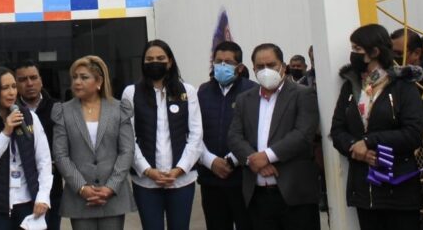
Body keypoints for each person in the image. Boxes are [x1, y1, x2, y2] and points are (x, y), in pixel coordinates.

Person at [330, 24, 423, 230]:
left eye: (357, 48)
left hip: (398, 188)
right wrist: (356, 149)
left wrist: (369, 141)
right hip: (364, 191)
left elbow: (413, 134)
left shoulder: (402, 85)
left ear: (374, 52)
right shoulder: (351, 86)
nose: (353, 53)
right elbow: (337, 130)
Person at [228, 43, 320, 229]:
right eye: (260, 66)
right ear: (253, 69)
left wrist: (267, 156)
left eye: (271, 65)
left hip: (295, 196)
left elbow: (303, 134)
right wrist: (253, 160)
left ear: (283, 66)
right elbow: (234, 136)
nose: (265, 70)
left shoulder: (303, 94)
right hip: (258, 196)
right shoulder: (244, 99)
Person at [122, 39, 203, 230]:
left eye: (160, 58)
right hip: (146, 182)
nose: (155, 62)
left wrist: (179, 169)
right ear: (143, 63)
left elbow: (196, 135)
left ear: (170, 61)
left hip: (181, 180)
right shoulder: (131, 93)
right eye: (149, 59)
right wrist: (148, 170)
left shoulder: (187, 91)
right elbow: (128, 138)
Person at [51, 55, 136, 230]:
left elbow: (127, 151)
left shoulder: (119, 109)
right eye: (74, 77)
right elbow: (60, 155)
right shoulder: (63, 111)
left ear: (99, 82)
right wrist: (82, 187)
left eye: (84, 77)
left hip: (112, 197)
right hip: (79, 199)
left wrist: (110, 187)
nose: (77, 82)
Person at [0, 66, 53, 230]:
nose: (11, 93)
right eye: (5, 88)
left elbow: (44, 161)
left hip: (28, 202)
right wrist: (6, 131)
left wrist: (43, 196)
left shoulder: (29, 117)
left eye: (14, 86)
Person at [196, 41, 255, 230]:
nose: (222, 65)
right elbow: (194, 131)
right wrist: (210, 161)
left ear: (240, 67)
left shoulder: (252, 91)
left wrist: (232, 160)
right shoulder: (202, 92)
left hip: (243, 178)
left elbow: (255, 132)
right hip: (210, 179)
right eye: (218, 61)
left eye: (228, 62)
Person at [16, 60, 63, 230]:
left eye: (33, 77)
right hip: (20, 191)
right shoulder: (9, 111)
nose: (29, 83)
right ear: (15, 84)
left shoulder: (57, 108)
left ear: (41, 80)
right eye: (23, 79)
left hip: (52, 188)